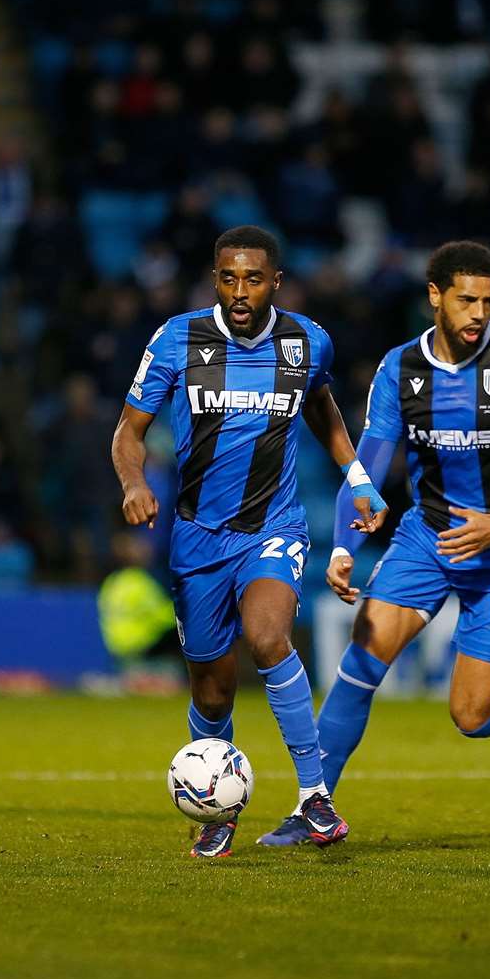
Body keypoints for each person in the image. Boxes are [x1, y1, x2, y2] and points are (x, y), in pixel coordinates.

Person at [291, 241, 490, 848]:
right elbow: (369, 465)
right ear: (435, 297)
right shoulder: (401, 368)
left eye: (488, 300)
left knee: (471, 717)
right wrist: (346, 546)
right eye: (465, 299)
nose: (479, 312)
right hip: (426, 538)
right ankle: (312, 806)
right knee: (361, 660)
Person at [111, 225, 387, 859]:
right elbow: (129, 431)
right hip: (196, 537)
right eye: (229, 278)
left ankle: (315, 798)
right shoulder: (177, 339)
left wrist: (358, 478)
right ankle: (217, 811)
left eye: (253, 279)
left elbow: (321, 406)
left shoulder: (306, 341)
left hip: (274, 527)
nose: (241, 291)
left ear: (275, 282)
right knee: (212, 687)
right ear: (216, 279)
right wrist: (132, 483)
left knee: (267, 637)